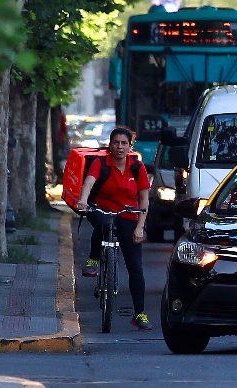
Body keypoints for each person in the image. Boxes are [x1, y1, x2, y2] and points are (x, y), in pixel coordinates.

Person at [76, 126, 153, 331]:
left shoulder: (137, 167)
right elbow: (89, 182)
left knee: (135, 267)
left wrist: (140, 227)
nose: (120, 147)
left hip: (128, 213)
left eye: (124, 143)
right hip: (101, 210)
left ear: (130, 146)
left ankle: (140, 313)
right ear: (110, 145)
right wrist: (83, 200)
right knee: (104, 223)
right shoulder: (100, 163)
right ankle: (93, 259)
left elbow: (144, 199)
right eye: (116, 143)